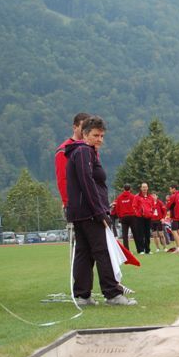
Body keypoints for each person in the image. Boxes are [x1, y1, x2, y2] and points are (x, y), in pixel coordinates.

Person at [65, 116, 136, 306]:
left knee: (84, 252)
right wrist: (99, 212)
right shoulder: (83, 151)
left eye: (102, 136)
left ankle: (82, 295)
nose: (100, 139)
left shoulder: (82, 152)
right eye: (96, 135)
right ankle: (112, 294)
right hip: (89, 213)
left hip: (81, 212)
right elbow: (87, 183)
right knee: (102, 251)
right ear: (85, 134)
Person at [55, 113, 90, 209]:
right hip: (75, 204)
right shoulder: (63, 150)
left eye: (88, 128)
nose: (86, 131)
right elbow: (62, 179)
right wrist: (68, 203)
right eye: (83, 127)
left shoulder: (90, 148)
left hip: (91, 202)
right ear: (74, 127)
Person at [114, 184, 138, 252]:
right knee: (135, 233)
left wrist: (120, 217)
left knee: (125, 235)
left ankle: (126, 250)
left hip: (123, 217)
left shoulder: (119, 197)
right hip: (132, 216)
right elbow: (136, 206)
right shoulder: (133, 196)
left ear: (123, 189)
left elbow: (117, 208)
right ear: (130, 189)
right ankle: (139, 249)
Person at [132, 183, 154, 255]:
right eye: (143, 187)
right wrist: (138, 214)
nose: (144, 188)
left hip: (148, 217)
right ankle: (141, 250)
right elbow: (134, 206)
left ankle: (147, 250)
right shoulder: (137, 197)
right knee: (140, 234)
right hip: (140, 218)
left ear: (147, 188)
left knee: (147, 234)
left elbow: (153, 207)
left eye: (146, 187)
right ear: (141, 188)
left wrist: (151, 213)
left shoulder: (150, 197)